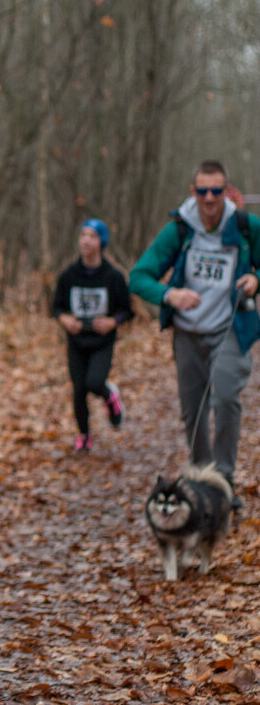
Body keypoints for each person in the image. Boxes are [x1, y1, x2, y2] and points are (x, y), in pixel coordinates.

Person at [130, 160, 260, 512]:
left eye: (216, 190)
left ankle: (225, 479)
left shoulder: (246, 227)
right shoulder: (179, 230)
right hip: (187, 334)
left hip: (229, 327)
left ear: (226, 191)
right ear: (193, 192)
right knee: (194, 411)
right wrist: (169, 295)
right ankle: (205, 479)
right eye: (202, 190)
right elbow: (138, 276)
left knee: (227, 395)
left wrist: (255, 279)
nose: (208, 198)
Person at [52, 218, 134, 451]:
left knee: (94, 382)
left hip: (102, 341)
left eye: (92, 236)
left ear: (102, 242)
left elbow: (128, 311)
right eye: (82, 235)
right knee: (79, 389)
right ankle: (84, 435)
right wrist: (65, 319)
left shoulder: (113, 277)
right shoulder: (69, 275)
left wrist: (112, 322)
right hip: (77, 340)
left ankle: (110, 396)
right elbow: (57, 307)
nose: (86, 240)